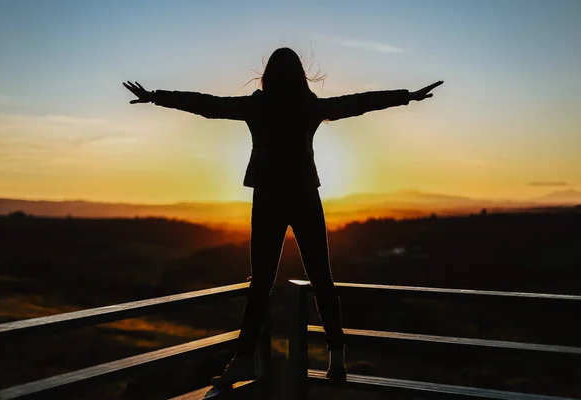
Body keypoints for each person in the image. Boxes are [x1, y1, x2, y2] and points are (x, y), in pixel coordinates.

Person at [123, 47, 443, 387]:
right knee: (321, 277)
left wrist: (155, 97)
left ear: (268, 75)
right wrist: (407, 96)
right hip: (305, 195)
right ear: (300, 76)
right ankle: (336, 356)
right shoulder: (310, 107)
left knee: (261, 283)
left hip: (268, 199)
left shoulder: (257, 106)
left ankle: (244, 358)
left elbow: (208, 105)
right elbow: (358, 102)